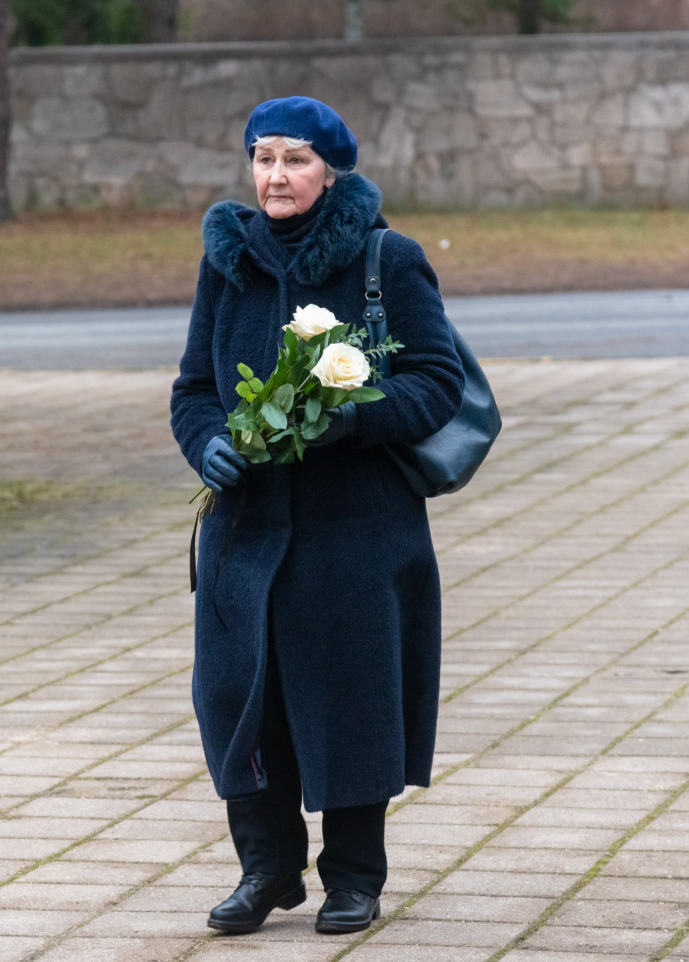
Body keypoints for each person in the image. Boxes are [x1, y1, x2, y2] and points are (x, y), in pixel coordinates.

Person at [169, 96, 464, 936]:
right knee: (241, 700)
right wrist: (208, 445)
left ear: (330, 172)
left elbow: (436, 380)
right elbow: (194, 389)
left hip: (355, 532)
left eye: (295, 159)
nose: (275, 176)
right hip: (246, 532)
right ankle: (266, 869)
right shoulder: (228, 262)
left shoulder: (386, 258)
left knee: (350, 698)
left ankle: (354, 876)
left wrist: (350, 418)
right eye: (263, 158)